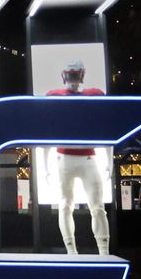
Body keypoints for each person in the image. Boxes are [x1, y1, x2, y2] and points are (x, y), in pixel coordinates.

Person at [44, 60, 110, 255]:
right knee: (65, 205)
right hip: (64, 157)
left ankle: (104, 252)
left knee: (97, 207)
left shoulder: (93, 95)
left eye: (75, 76)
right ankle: (71, 252)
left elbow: (105, 128)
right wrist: (46, 165)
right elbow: (47, 130)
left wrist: (109, 156)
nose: (73, 81)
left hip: (87, 157)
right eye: (70, 76)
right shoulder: (55, 97)